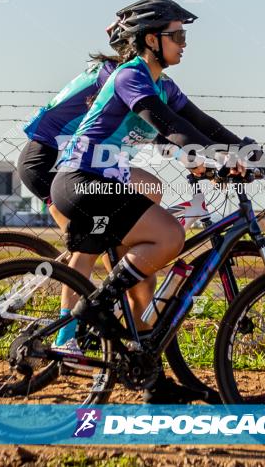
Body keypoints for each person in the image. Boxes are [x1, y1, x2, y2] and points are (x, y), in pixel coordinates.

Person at [50, 0, 259, 403]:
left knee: (143, 276)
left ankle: (148, 376)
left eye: (184, 35)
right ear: (151, 39)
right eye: (177, 35)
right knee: (168, 237)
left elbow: (199, 121)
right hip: (83, 181)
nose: (184, 43)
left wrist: (247, 150)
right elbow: (166, 123)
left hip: (105, 182)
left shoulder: (162, 82)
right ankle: (91, 311)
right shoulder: (132, 77)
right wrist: (216, 155)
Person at [17, 56, 166, 356]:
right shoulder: (117, 75)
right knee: (91, 245)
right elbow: (141, 115)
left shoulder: (117, 72)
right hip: (53, 163)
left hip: (62, 161)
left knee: (146, 195)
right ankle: (68, 334)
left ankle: (105, 301)